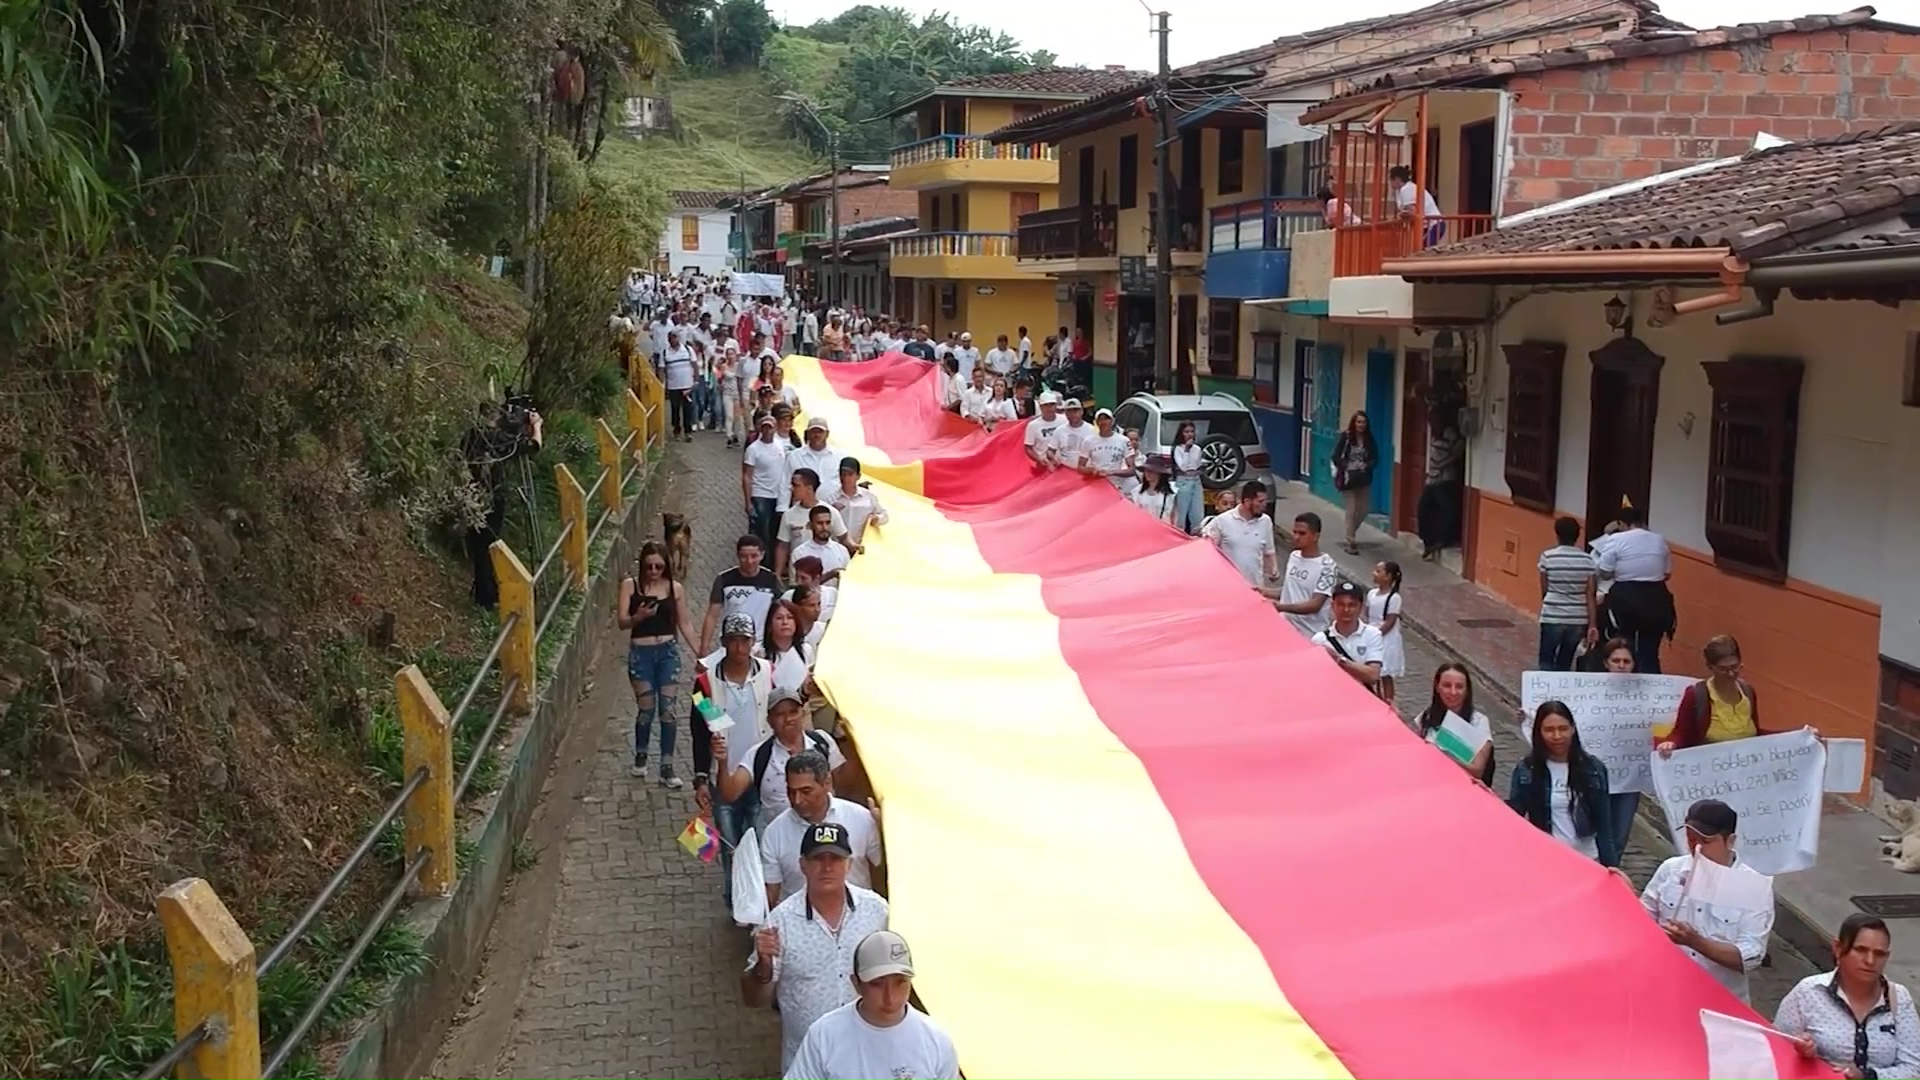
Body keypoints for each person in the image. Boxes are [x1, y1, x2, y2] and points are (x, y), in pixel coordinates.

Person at [741, 821, 890, 1072]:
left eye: (836, 858)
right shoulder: (779, 923)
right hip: (808, 1064)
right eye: (818, 858)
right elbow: (754, 999)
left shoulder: (877, 911)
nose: (827, 867)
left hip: (869, 1059)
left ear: (849, 864)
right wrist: (762, 969)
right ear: (802, 865)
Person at [1639, 798, 1773, 1004]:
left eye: (1707, 841)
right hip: (1663, 991)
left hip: (1718, 1002)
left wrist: (1696, 942)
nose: (1697, 848)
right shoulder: (1671, 870)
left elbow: (1750, 955)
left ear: (1730, 841)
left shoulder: (1751, 887)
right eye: (1691, 839)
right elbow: (1641, 918)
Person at [784, 930, 961, 1080]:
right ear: (856, 983)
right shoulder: (824, 1035)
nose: (890, 997)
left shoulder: (937, 1041)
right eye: (877, 983)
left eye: (900, 982)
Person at [1775, 913, 1920, 1080]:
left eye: (1879, 954)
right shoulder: (1809, 992)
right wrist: (1802, 1053)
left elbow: (1914, 1069)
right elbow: (1775, 1048)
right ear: (1838, 948)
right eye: (1860, 950)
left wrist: (1868, 1076)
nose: (1870, 960)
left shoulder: (1899, 998)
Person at [617, 541, 698, 787]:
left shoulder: (675, 589)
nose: (653, 571)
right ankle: (641, 755)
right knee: (646, 709)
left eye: (659, 566)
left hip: (667, 653)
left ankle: (667, 766)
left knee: (668, 711)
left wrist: (700, 652)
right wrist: (638, 617)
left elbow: (684, 623)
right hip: (641, 653)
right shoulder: (630, 586)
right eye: (649, 566)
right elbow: (622, 621)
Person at [760, 750, 882, 906]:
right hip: (800, 925)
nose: (797, 800)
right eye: (791, 792)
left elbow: (883, 872)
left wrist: (883, 830)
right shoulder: (774, 833)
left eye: (806, 791)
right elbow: (770, 894)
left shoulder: (863, 819)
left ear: (827, 783)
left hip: (859, 919)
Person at [1506, 700, 1617, 865]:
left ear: (1572, 729)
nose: (1557, 736)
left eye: (1563, 729)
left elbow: (1604, 826)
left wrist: (1612, 868)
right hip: (1546, 860)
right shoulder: (1527, 770)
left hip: (1587, 861)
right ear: (1539, 732)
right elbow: (1514, 816)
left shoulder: (1593, 769)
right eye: (1549, 730)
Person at [1595, 503, 1674, 674]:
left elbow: (1605, 572)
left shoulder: (1616, 539)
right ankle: (1651, 690)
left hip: (1626, 598)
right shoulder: (1660, 539)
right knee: (1650, 652)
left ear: (1621, 524)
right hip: (1657, 599)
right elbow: (1667, 574)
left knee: (1623, 646)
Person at [699, 535, 782, 655]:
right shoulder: (724, 579)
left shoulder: (771, 580)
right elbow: (712, 615)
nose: (749, 561)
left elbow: (780, 611)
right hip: (730, 643)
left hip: (760, 645)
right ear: (738, 556)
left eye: (754, 556)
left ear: (762, 555)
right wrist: (704, 647)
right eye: (744, 557)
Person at [1415, 663, 1494, 785]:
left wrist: (1441, 756)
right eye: (1447, 685)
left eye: (1459, 687)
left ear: (1467, 690)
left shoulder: (1479, 722)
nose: (1453, 692)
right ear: (1437, 687)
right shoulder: (1426, 717)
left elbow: (1477, 770)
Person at [1538, 515, 1599, 671]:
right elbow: (1590, 594)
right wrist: (1592, 624)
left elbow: (1544, 589)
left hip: (1552, 614)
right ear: (1577, 536)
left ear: (1557, 534)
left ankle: (1546, 693)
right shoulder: (1587, 560)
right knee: (1565, 661)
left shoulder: (1547, 557)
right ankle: (1561, 693)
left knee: (1546, 659)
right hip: (1578, 617)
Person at [1265, 512, 1337, 639]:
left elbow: (1315, 604)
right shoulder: (1294, 556)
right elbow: (1289, 589)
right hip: (1286, 628)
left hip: (1311, 634)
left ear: (1316, 536)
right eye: (1295, 532)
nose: (1296, 537)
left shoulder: (1327, 566)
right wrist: (1262, 591)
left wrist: (1280, 607)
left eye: (1302, 533)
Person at [1202, 480, 1277, 587]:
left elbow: (1269, 550)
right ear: (1247, 501)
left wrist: (1274, 568)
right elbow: (1207, 549)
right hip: (1228, 587)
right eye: (1260, 501)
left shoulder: (1266, 521)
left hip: (1256, 587)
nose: (1264, 505)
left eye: (1265, 501)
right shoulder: (1221, 521)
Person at [1311, 581, 1384, 691]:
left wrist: (1338, 659)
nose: (1346, 610)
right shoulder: (1319, 640)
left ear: (1361, 607)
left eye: (1352, 605)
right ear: (1332, 606)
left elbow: (1372, 676)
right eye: (1341, 604)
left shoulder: (1372, 634)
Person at [1330, 411, 1376, 555]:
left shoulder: (1369, 439)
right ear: (1353, 423)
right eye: (1358, 422)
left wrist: (1367, 466)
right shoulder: (1347, 437)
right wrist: (1347, 466)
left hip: (1363, 478)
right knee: (1351, 510)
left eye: (1363, 422)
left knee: (1363, 510)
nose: (1361, 425)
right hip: (1349, 478)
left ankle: (1350, 532)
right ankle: (1351, 541)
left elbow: (1375, 457)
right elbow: (1336, 456)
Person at [743, 414, 790, 553]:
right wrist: (748, 502)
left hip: (779, 495)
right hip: (761, 495)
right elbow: (747, 475)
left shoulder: (781, 445)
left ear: (775, 428)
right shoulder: (753, 449)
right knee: (762, 532)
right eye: (765, 427)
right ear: (760, 428)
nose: (768, 430)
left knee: (777, 532)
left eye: (770, 427)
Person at [1366, 560, 1406, 707]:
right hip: (1373, 634)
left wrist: (1376, 634)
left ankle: (1388, 702)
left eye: (1378, 571)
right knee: (1373, 671)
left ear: (1388, 576)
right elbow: (1368, 614)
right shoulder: (1371, 594)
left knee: (1386, 674)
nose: (1374, 573)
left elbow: (1390, 621)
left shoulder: (1394, 598)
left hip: (1387, 640)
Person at [829, 458, 888, 548]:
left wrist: (877, 519)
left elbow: (884, 515)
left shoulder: (868, 497)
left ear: (858, 476)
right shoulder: (831, 498)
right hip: (837, 547)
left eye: (850, 474)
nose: (846, 478)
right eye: (843, 474)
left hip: (862, 547)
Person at [1079, 408, 1139, 495]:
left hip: (1116, 486)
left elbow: (1132, 470)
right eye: (1100, 419)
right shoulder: (1088, 441)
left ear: (1112, 421)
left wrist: (1111, 472)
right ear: (1096, 422)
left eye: (1106, 419)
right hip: (1095, 485)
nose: (1104, 422)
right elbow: (1080, 467)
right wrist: (1092, 471)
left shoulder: (1123, 440)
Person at [1388, 164, 1446, 246]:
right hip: (1426, 225)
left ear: (1397, 179)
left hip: (1433, 225)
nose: (1390, 183)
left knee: (1421, 248)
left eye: (1391, 180)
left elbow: (1411, 211)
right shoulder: (1400, 191)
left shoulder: (1407, 189)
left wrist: (1401, 216)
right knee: (1420, 248)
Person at [1168, 421, 1205, 535]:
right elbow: (1183, 466)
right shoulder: (1178, 449)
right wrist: (1187, 450)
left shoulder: (1197, 449)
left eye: (1192, 432)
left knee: (1198, 514)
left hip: (1196, 480)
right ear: (1181, 433)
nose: (1189, 434)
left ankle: (1196, 536)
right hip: (1183, 481)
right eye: (1186, 432)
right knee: (1181, 514)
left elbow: (1197, 464)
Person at [661, 329, 698, 442]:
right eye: (671, 338)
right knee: (675, 409)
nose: (673, 340)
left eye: (675, 337)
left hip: (687, 385)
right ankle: (676, 430)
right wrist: (662, 384)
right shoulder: (665, 353)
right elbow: (661, 369)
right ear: (668, 339)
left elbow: (694, 365)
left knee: (688, 409)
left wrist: (695, 380)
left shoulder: (687, 350)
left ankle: (688, 432)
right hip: (673, 386)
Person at [1023, 391, 1066, 469]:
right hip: (1044, 466)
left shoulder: (1065, 420)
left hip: (1064, 464)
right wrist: (1039, 459)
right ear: (1040, 407)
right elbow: (1028, 448)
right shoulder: (1033, 426)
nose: (1049, 408)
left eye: (1052, 405)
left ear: (1056, 405)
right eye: (1046, 405)